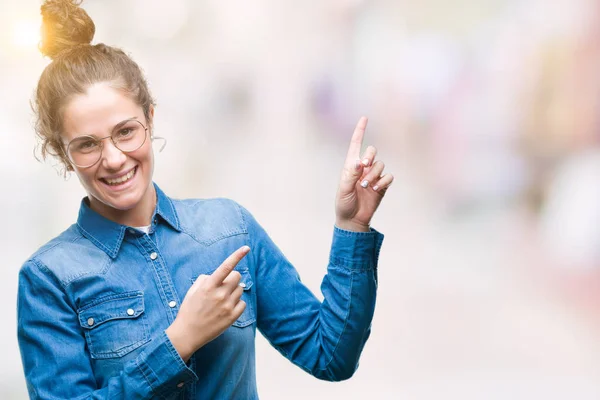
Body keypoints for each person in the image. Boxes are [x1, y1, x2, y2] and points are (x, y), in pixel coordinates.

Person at [16, 1, 393, 399]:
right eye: (87, 144)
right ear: (62, 152)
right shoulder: (49, 278)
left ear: (150, 117)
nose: (113, 159)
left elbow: (330, 356)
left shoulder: (229, 228)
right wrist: (178, 342)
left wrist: (353, 226)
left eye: (126, 132)